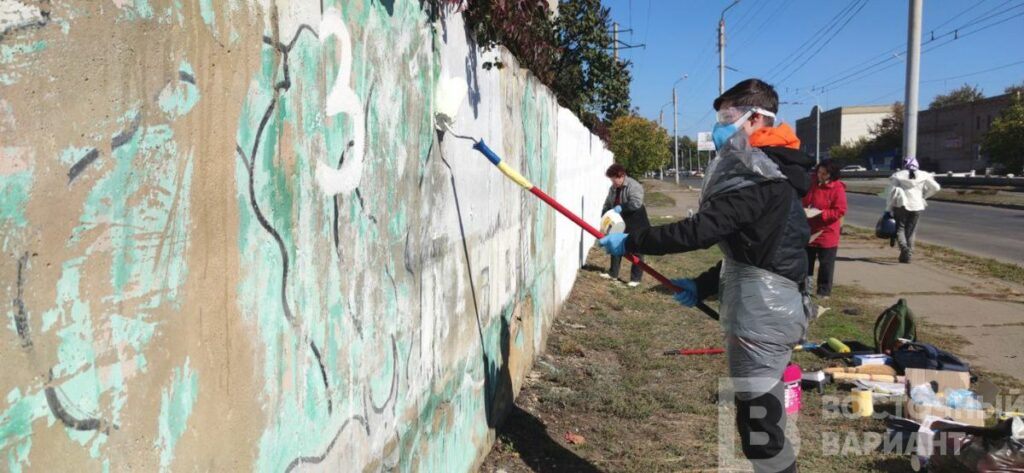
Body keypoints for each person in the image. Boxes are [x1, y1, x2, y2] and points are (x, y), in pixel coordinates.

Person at [598, 79, 811, 473]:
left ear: (759, 119)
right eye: (720, 118)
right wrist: (704, 285)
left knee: (760, 430)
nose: (720, 127)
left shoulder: (764, 178)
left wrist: (632, 242)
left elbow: (700, 230)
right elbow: (755, 253)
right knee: (760, 423)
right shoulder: (764, 174)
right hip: (764, 312)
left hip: (766, 320)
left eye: (729, 118)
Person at [600, 163, 650, 287]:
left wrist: (621, 207)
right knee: (616, 244)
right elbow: (608, 202)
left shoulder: (634, 185)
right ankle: (613, 273)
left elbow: (636, 203)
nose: (613, 182)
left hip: (636, 220)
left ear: (621, 175)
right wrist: (605, 213)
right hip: (620, 220)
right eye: (611, 180)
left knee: (637, 248)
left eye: (614, 179)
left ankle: (635, 279)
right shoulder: (613, 188)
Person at [802, 160, 847, 298]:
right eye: (819, 172)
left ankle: (823, 291)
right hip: (809, 228)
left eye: (824, 174)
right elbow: (803, 198)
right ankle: (805, 288)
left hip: (827, 232)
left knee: (826, 264)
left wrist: (822, 214)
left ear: (831, 175)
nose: (820, 176)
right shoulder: (811, 183)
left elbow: (840, 210)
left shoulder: (838, 188)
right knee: (805, 262)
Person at [885, 157, 940, 263]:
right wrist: (924, 196)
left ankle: (904, 248)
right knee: (911, 231)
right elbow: (936, 188)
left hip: (901, 205)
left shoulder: (898, 175)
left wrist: (888, 209)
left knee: (899, 229)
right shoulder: (924, 175)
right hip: (917, 205)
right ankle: (908, 255)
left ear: (904, 165)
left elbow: (891, 193)